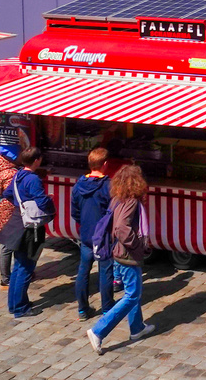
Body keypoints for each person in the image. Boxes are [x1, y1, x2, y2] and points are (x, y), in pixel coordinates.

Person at [88, 164, 157, 353]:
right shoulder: (132, 202)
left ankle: (137, 328)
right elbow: (121, 228)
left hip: (118, 252)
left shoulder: (117, 199)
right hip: (127, 254)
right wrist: (137, 245)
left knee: (133, 291)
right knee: (132, 294)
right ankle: (98, 331)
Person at [1, 146, 55, 318]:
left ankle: (15, 303)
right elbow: (41, 201)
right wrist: (49, 201)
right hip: (31, 228)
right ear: (37, 160)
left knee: (18, 267)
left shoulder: (18, 175)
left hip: (17, 223)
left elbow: (7, 193)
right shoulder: (33, 179)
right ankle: (20, 308)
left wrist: (21, 204)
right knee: (26, 267)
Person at [71, 147, 114, 320]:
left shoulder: (78, 185)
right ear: (105, 164)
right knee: (105, 271)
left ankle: (82, 308)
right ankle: (107, 308)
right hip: (103, 235)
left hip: (86, 234)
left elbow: (75, 212)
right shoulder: (108, 186)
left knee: (83, 270)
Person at [0, 149, 21, 287]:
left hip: (3, 210)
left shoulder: (0, 168)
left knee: (8, 244)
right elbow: (12, 193)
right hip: (10, 211)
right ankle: (6, 278)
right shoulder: (10, 173)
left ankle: (7, 276)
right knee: (7, 246)